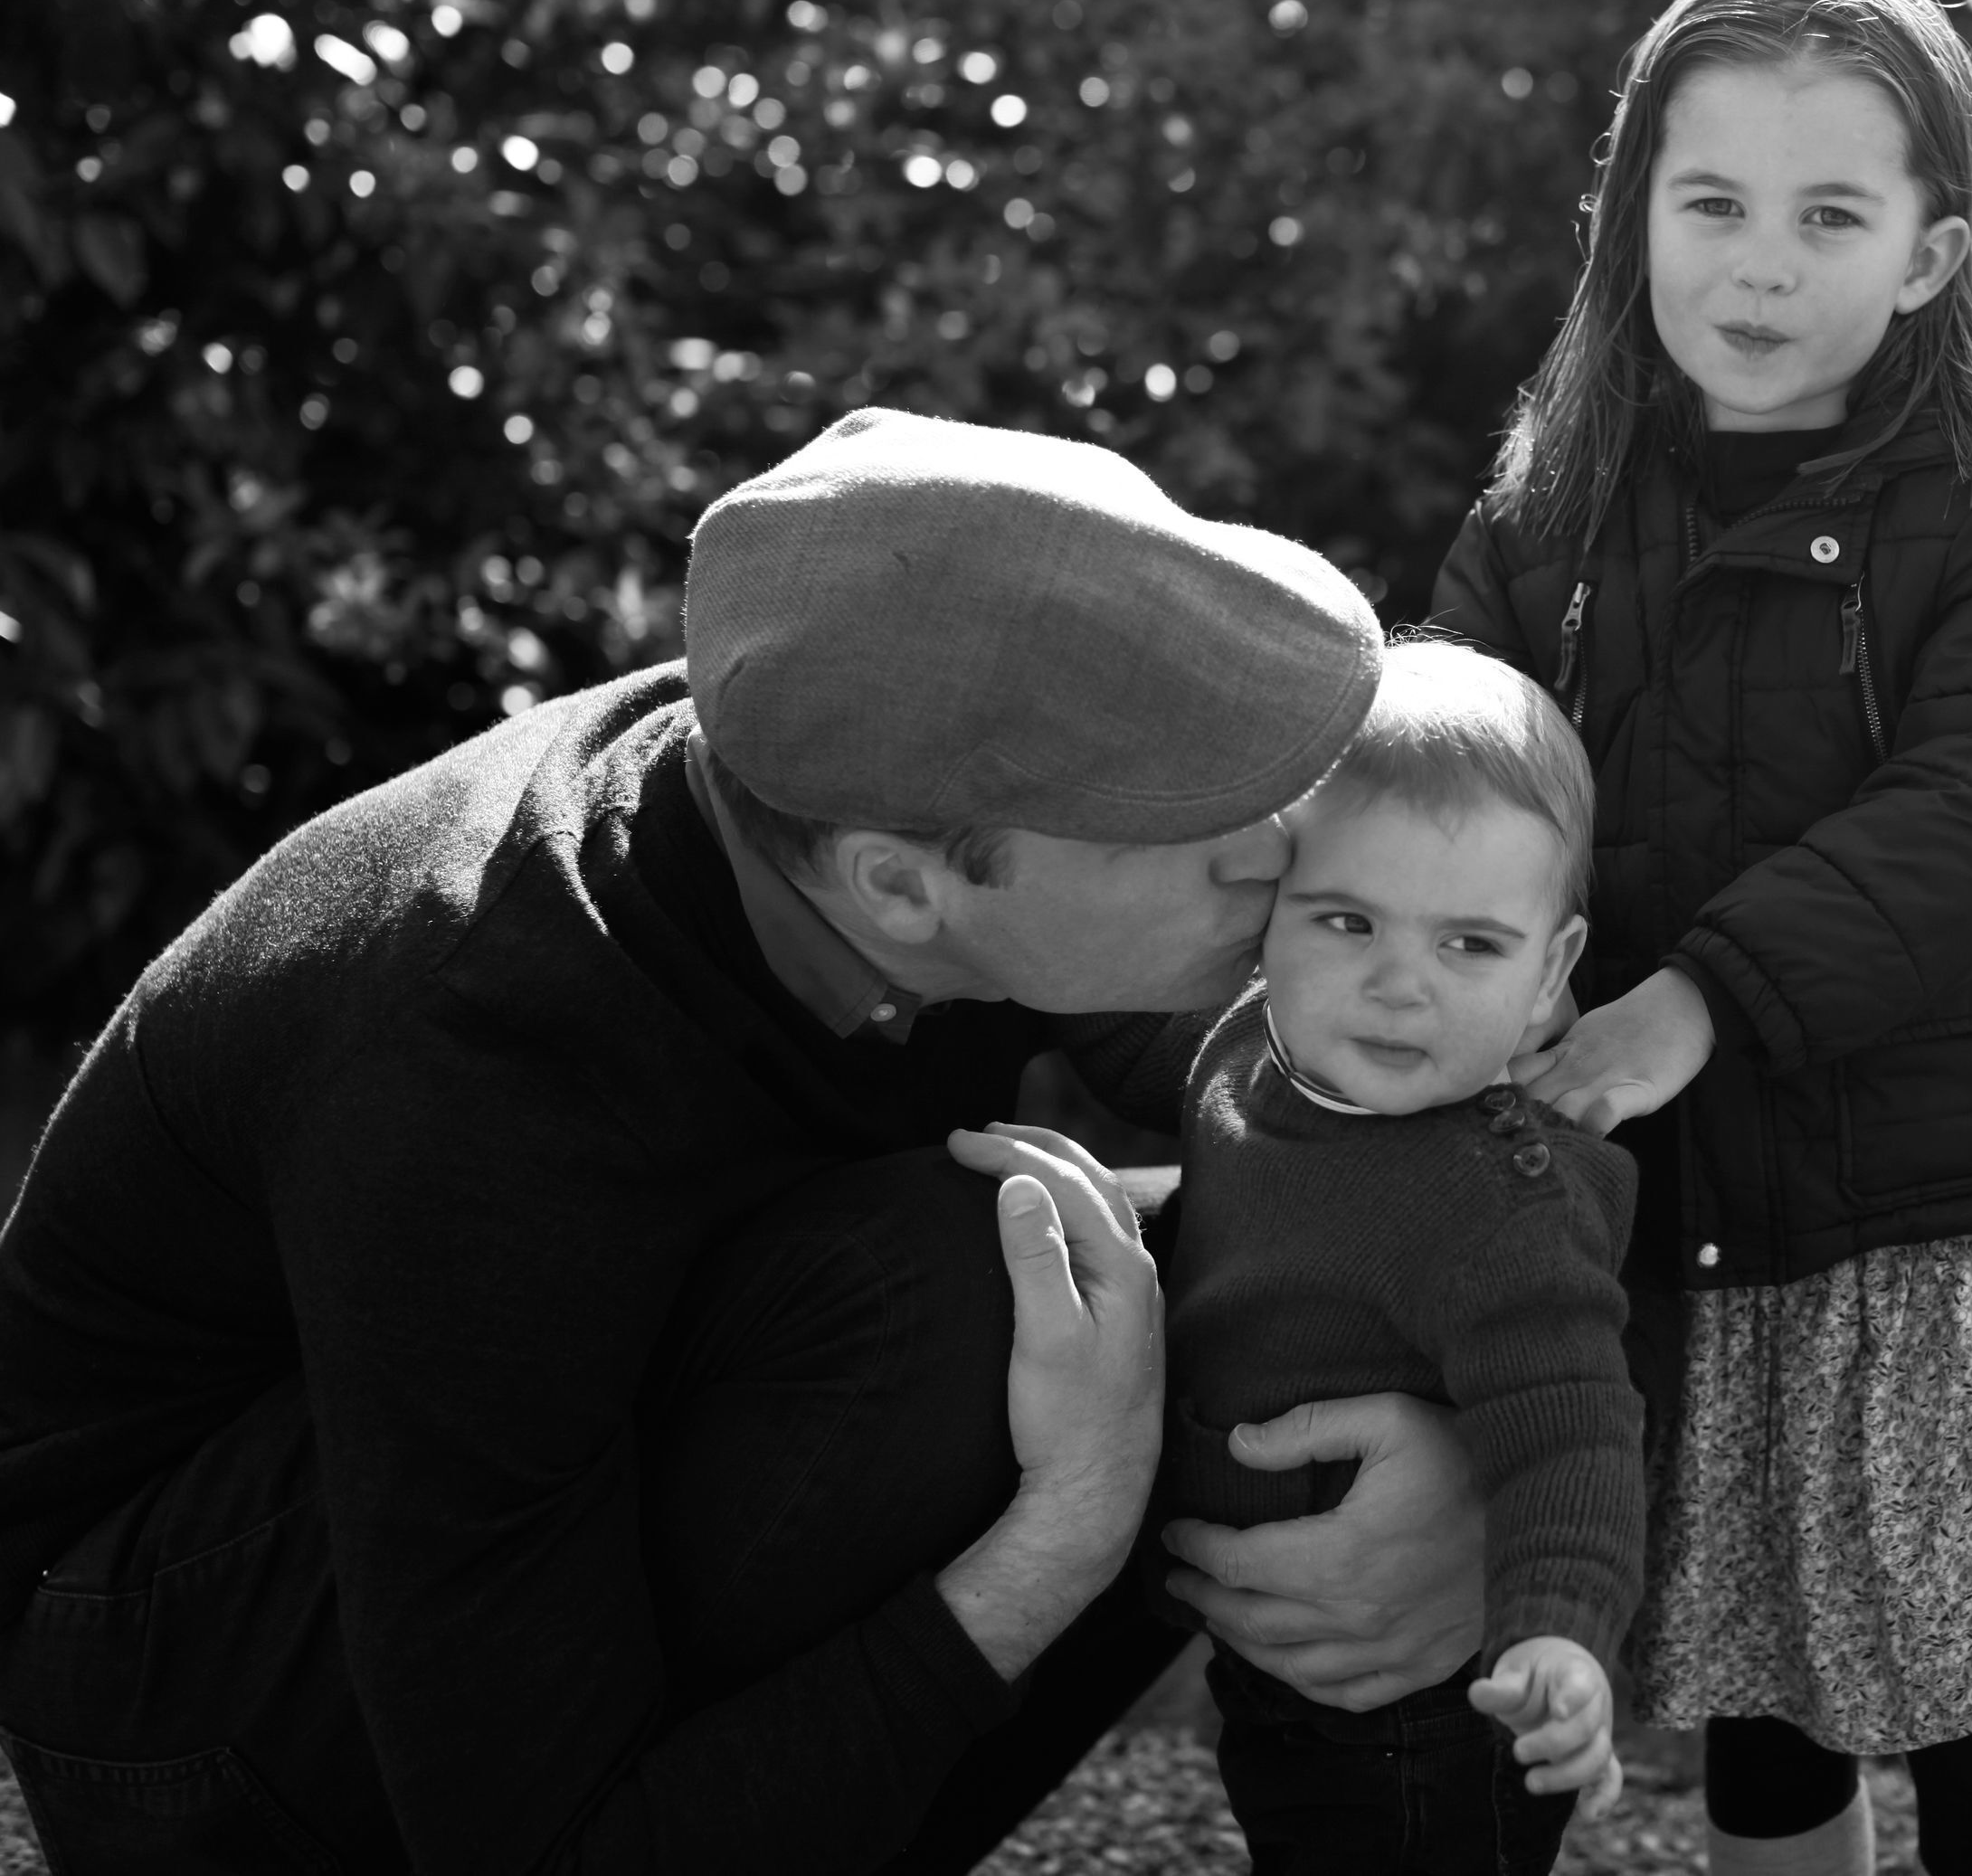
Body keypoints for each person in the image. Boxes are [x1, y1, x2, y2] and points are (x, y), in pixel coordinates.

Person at [0, 408, 1493, 1874]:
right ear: (902, 890)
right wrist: (1072, 1530)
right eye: (1197, 817)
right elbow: (536, 1843)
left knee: (1272, 1274)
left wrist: (1462, 1455)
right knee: (990, 1293)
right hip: (181, 1700)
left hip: (499, 1489)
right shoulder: (474, 1069)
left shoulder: (866, 753)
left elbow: (1373, 1131)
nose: (1279, 846)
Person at [1427, 0, 1972, 1876]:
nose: (1758, 260)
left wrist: (1689, 1002)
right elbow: (1443, 765)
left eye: (1827, 211)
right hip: (1688, 1210)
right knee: (1765, 1684)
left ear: (1931, 253)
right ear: (1635, 219)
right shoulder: (1552, 517)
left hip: (1940, 1215)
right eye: (1709, 202)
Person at [1156, 638, 1643, 1875]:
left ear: (1552, 977)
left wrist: (1560, 1639)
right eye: (1348, 920)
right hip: (1282, 1659)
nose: (1396, 983)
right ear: (1272, 914)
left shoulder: (1496, 1208)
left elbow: (1573, 1431)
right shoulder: (1245, 1058)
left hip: (1433, 1712)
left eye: (1469, 945)